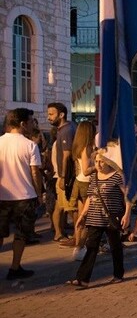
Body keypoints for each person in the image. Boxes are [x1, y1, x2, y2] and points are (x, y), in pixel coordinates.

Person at [66, 144, 132, 288]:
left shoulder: (117, 177)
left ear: (109, 162)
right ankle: (82, 279)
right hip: (95, 217)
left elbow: (128, 196)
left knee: (115, 247)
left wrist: (127, 214)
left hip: (111, 218)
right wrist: (83, 215)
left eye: (101, 161)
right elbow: (90, 197)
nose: (98, 164)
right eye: (96, 161)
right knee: (91, 246)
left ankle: (118, 274)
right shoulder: (94, 177)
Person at [0, 109, 43, 280]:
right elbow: (35, 173)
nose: (33, 125)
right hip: (25, 196)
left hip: (2, 196)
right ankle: (15, 267)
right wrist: (39, 194)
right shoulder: (30, 145)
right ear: (22, 124)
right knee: (21, 234)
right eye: (31, 121)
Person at [61, 121, 97, 261]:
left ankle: (79, 246)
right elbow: (87, 170)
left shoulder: (78, 146)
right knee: (86, 219)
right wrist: (99, 165)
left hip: (80, 182)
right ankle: (80, 247)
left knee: (81, 217)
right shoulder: (86, 148)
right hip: (86, 184)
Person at [47, 102, 76, 243]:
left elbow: (67, 155)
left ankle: (64, 233)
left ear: (61, 115)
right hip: (63, 176)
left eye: (51, 114)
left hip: (66, 176)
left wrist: (63, 176)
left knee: (67, 206)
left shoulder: (66, 130)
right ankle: (60, 233)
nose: (48, 117)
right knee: (66, 207)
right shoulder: (64, 129)